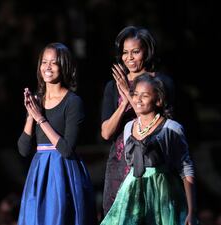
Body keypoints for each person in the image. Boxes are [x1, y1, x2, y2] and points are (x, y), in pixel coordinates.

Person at [100, 73, 197, 225]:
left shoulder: (170, 128)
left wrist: (191, 211)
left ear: (158, 100)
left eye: (144, 95)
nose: (138, 100)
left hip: (161, 194)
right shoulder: (128, 128)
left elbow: (185, 168)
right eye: (135, 94)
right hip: (132, 194)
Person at [17, 42, 97, 225]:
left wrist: (40, 119)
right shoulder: (37, 101)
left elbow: (67, 149)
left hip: (62, 171)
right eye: (44, 62)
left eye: (53, 63)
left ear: (64, 66)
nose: (47, 67)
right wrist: (31, 115)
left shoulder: (73, 102)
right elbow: (23, 149)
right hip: (39, 172)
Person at [101, 25, 175, 215]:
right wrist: (123, 102)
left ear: (147, 51)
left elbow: (160, 126)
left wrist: (128, 92)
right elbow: (106, 132)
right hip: (120, 163)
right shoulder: (113, 85)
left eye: (135, 52)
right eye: (125, 53)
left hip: (151, 162)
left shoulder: (160, 82)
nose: (129, 58)